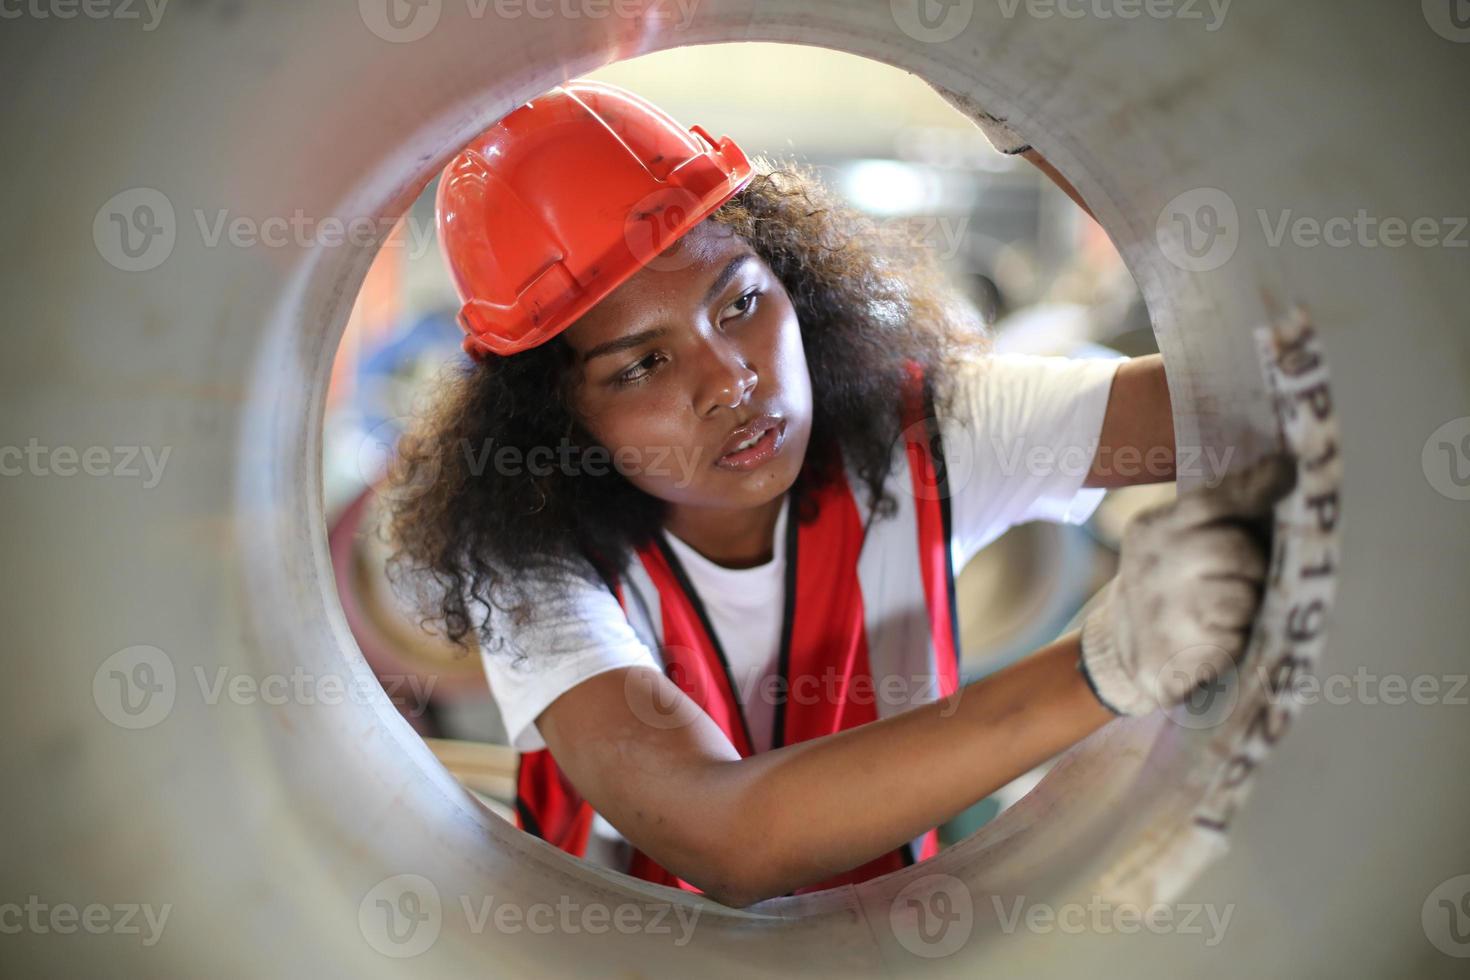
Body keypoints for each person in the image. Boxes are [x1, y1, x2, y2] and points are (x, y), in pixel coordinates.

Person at [387, 80, 1293, 909]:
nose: (731, 380)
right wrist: (1113, 665)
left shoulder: (929, 434)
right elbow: (726, 835)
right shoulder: (535, 564)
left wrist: (1053, 112)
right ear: (558, 419)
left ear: (797, 281)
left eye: (740, 302)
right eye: (644, 364)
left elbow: (1268, 391)